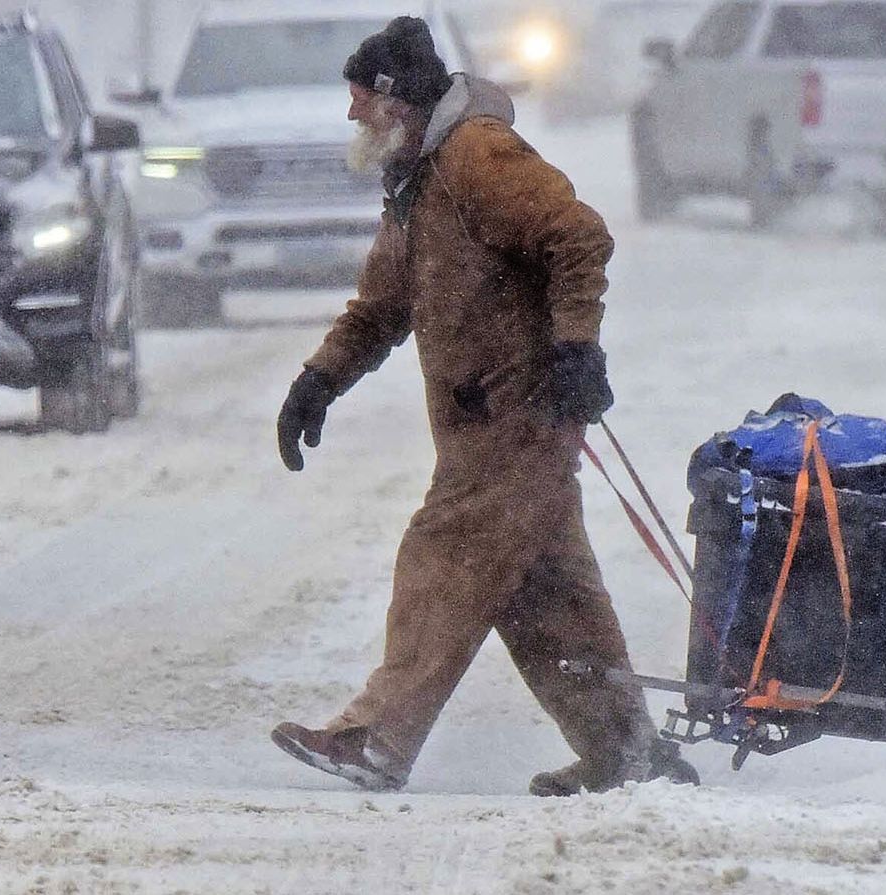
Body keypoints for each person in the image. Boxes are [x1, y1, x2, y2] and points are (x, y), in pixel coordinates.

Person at [270, 16, 697, 796]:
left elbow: (577, 236)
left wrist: (577, 349)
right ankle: (627, 752)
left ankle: (376, 735)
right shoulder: (416, 179)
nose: (352, 116)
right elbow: (379, 308)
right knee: (548, 600)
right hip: (482, 430)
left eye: (361, 100)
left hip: (519, 417)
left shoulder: (477, 158)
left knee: (445, 555)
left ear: (399, 101)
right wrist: (318, 381)